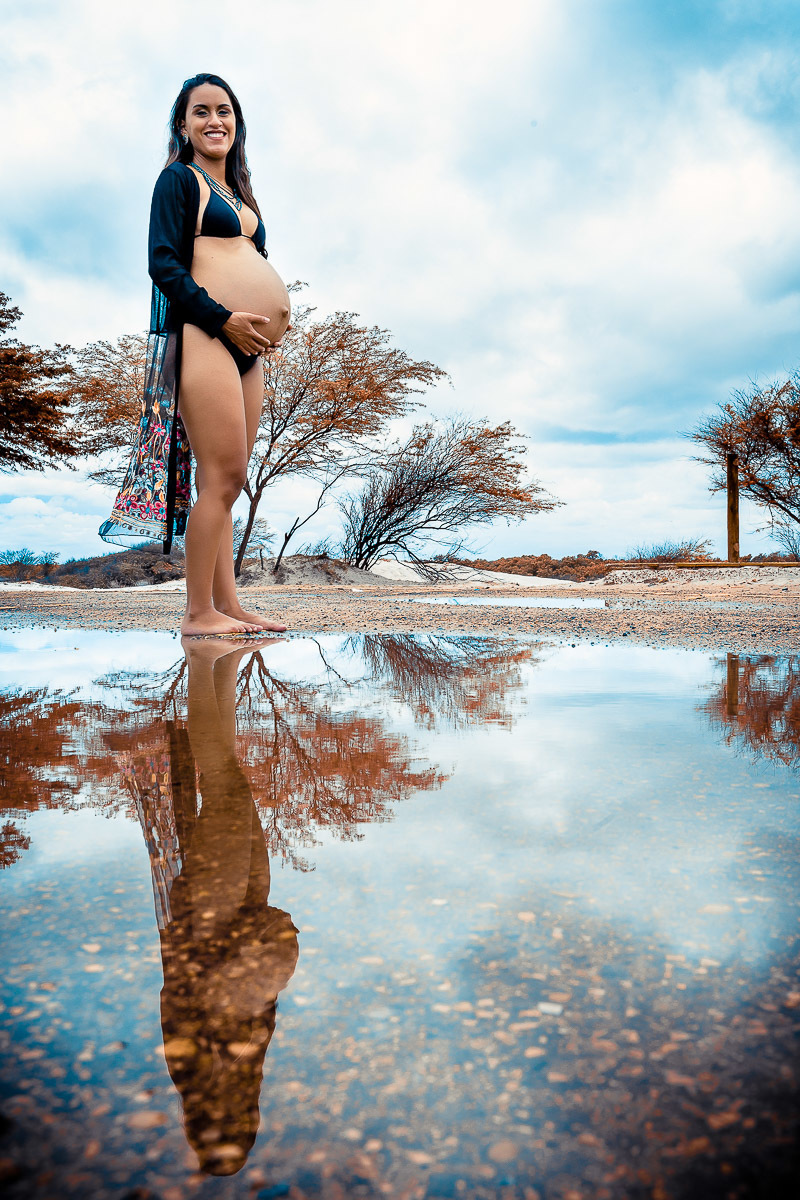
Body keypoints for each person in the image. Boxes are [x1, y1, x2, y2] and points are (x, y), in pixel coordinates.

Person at [100, 72, 290, 636]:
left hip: (248, 350)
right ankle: (197, 613)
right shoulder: (178, 181)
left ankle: (227, 604)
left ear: (237, 123)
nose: (214, 120)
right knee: (225, 475)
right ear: (182, 126)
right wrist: (223, 318)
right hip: (205, 335)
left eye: (223, 110)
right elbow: (163, 264)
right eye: (201, 111)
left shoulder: (242, 195)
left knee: (226, 483)